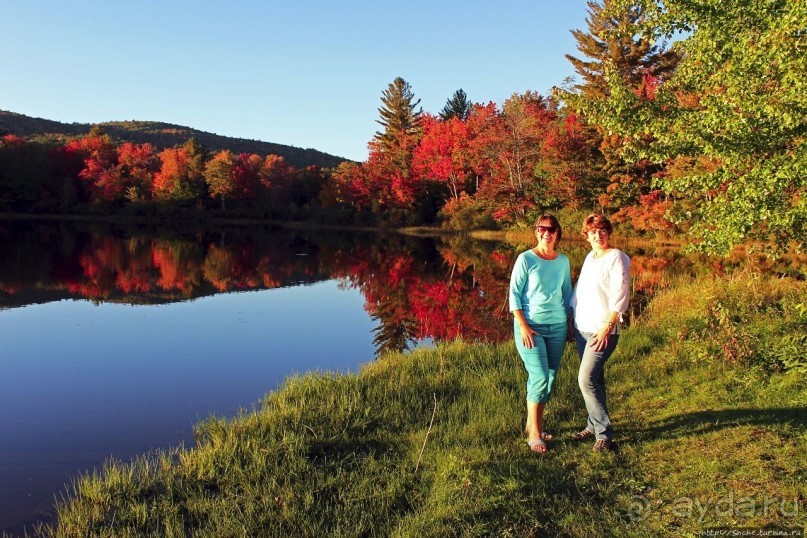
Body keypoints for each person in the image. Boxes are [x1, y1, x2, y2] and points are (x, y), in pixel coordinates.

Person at [509, 214, 573, 454]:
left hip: (557, 327)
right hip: (530, 327)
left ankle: (532, 424)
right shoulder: (525, 259)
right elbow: (514, 295)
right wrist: (523, 326)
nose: (547, 233)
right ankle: (535, 434)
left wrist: (571, 323)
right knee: (540, 376)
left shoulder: (563, 261)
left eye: (552, 229)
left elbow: (567, 293)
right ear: (536, 231)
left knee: (551, 377)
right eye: (542, 228)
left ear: (558, 233)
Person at [570, 214, 630, 452]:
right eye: (593, 232)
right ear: (586, 236)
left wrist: (607, 327)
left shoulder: (617, 257)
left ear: (609, 232)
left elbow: (621, 294)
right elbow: (581, 291)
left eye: (602, 230)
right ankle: (592, 425)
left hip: (602, 331)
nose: (598, 235)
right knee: (595, 380)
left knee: (585, 380)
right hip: (582, 328)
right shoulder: (590, 257)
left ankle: (604, 434)